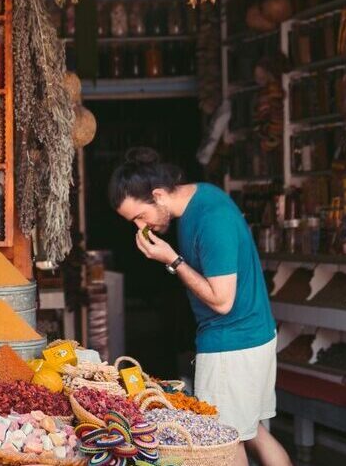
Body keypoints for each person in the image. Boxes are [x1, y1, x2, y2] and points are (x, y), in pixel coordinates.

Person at [108, 147, 292, 466]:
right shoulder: (200, 199)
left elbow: (222, 301)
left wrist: (172, 260)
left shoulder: (210, 219)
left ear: (158, 195)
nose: (140, 227)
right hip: (250, 337)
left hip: (231, 345)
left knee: (223, 442)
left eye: (140, 216)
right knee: (254, 434)